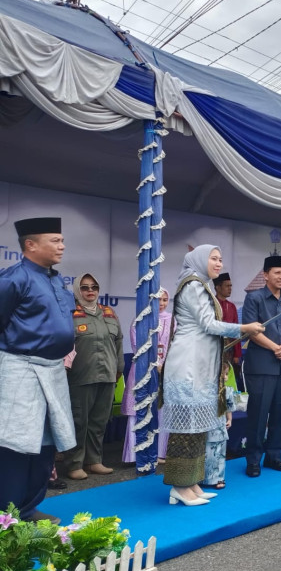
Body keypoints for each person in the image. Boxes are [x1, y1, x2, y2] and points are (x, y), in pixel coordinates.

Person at [160, 245, 264, 506]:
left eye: (220, 259)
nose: (218, 263)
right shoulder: (193, 285)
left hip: (201, 366)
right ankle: (179, 487)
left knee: (197, 428)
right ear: (199, 260)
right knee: (186, 430)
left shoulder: (201, 284)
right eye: (213, 258)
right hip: (188, 366)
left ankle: (191, 482)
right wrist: (244, 327)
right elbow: (208, 324)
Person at [0, 217, 76, 523]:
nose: (62, 246)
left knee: (46, 442)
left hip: (53, 370)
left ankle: (30, 507)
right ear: (31, 245)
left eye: (62, 240)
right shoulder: (12, 279)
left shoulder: (56, 279)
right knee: (17, 444)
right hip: (21, 369)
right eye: (55, 240)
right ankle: (7, 514)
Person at [242, 255, 281, 477]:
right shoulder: (254, 299)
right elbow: (251, 331)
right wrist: (276, 347)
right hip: (262, 365)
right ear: (265, 275)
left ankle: (274, 457)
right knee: (258, 414)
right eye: (277, 272)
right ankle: (253, 460)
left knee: (280, 413)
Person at [64, 273, 124, 479]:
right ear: (77, 291)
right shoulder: (69, 314)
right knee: (79, 422)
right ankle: (74, 464)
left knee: (99, 422)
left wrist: (119, 369)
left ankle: (94, 461)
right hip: (80, 377)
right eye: (85, 287)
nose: (90, 291)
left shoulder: (109, 313)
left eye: (94, 287)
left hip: (107, 375)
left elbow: (118, 343)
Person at [122, 288, 173, 464]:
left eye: (165, 300)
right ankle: (134, 455)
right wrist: (154, 364)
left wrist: (165, 366)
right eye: (159, 300)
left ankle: (160, 453)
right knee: (138, 410)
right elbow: (137, 348)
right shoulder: (139, 320)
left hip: (165, 371)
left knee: (162, 411)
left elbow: (174, 346)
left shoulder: (173, 320)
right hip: (141, 371)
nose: (162, 304)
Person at [200, 369, 236, 490]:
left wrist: (229, 419)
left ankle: (219, 478)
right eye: (223, 374)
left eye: (226, 374)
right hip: (207, 426)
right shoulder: (205, 391)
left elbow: (229, 407)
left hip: (220, 427)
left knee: (220, 454)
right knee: (206, 453)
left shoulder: (228, 390)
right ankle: (202, 477)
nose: (225, 377)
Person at [214, 272, 243, 391]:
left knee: (228, 376)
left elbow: (236, 331)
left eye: (231, 286)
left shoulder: (231, 306)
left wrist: (237, 354)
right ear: (218, 287)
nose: (230, 289)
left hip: (229, 347)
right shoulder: (210, 304)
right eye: (227, 286)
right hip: (214, 347)